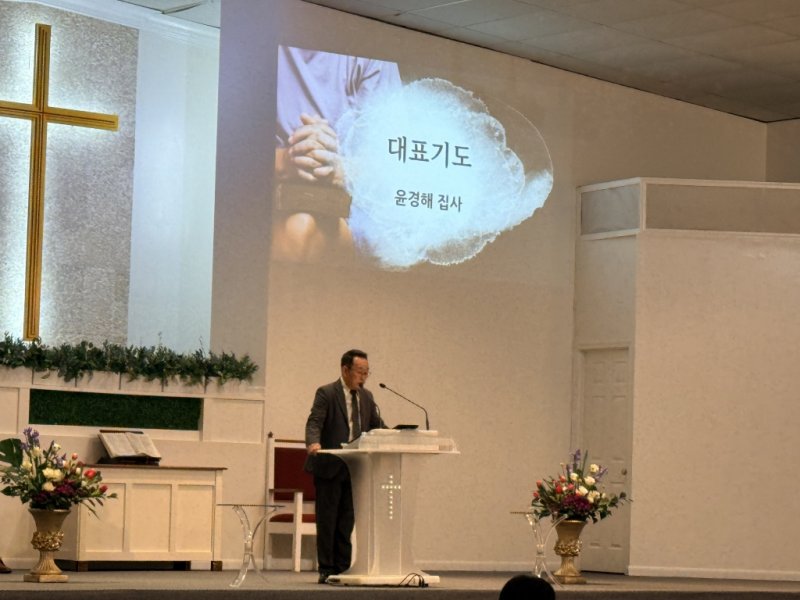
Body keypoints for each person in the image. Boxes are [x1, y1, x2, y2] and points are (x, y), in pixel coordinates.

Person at [304, 349, 385, 583]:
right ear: (345, 370)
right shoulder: (327, 393)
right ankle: (326, 569)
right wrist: (313, 442)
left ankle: (342, 569)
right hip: (330, 465)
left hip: (355, 468)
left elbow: (376, 425)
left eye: (367, 372)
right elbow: (315, 421)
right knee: (328, 520)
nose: (364, 377)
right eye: (360, 372)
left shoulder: (367, 397)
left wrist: (397, 435)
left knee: (346, 522)